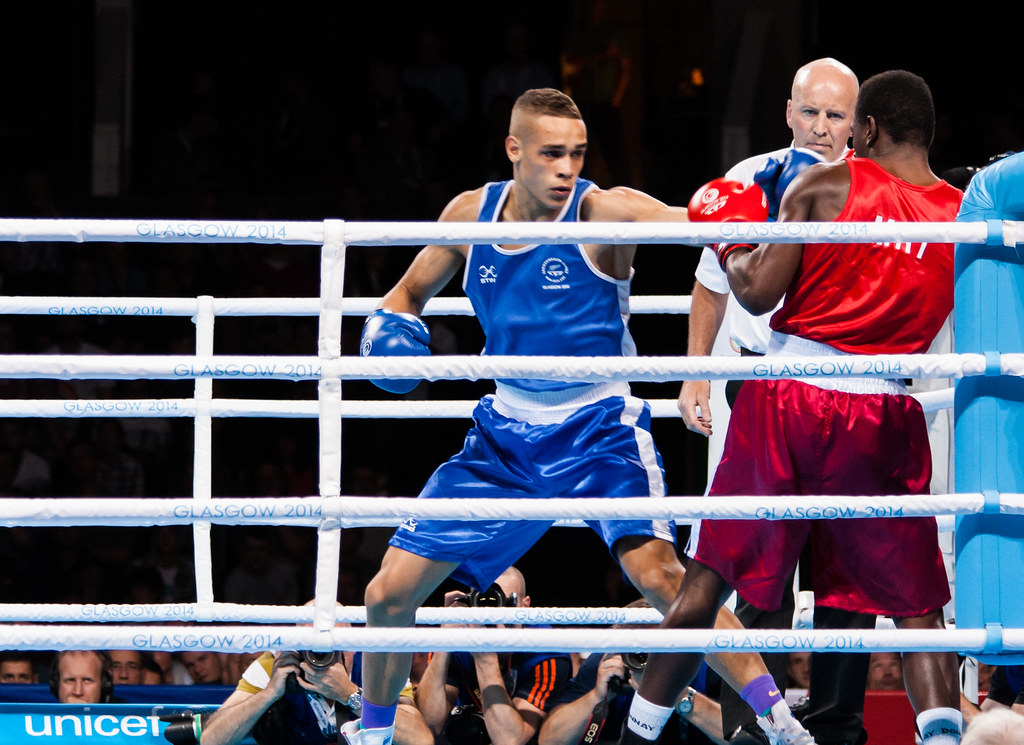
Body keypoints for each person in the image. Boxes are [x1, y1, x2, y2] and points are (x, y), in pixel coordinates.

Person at [348, 87, 810, 745]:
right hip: (503, 436)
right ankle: (372, 735)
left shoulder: (606, 210)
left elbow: (689, 223)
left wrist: (738, 212)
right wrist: (390, 328)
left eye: (577, 152)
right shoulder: (469, 216)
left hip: (598, 430)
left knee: (664, 578)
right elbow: (405, 292)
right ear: (514, 151)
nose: (567, 167)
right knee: (386, 594)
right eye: (551, 153)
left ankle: (779, 720)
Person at [619, 70, 963, 745]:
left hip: (789, 399)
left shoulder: (826, 186)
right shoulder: (962, 214)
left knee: (708, 584)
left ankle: (634, 738)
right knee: (919, 607)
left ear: (864, 129)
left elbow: (751, 291)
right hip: (885, 412)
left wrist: (729, 234)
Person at [679, 57, 878, 745]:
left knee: (845, 567)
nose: (822, 128)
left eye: (836, 116)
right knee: (757, 571)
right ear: (789, 113)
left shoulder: (874, 193)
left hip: (846, 388)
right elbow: (711, 282)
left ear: (857, 124)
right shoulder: (747, 181)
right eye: (811, 112)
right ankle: (751, 726)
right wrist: (695, 375)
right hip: (758, 385)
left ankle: (836, 725)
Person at [415, 566, 572, 745]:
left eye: (505, 602)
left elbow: (510, 739)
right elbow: (429, 726)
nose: (492, 610)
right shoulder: (457, 637)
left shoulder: (547, 650)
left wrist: (485, 659)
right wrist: (443, 643)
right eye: (483, 600)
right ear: (470, 602)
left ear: (524, 604)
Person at [538, 601, 725, 745]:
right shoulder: (606, 662)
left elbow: (738, 735)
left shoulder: (702, 662)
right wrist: (597, 695)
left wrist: (674, 693)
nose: (643, 657)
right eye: (634, 647)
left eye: (653, 648)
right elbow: (549, 740)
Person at [198, 646, 431, 745]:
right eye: (314, 646)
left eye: (336, 645)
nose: (323, 655)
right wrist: (269, 693)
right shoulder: (276, 662)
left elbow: (420, 739)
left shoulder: (376, 662)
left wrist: (349, 694)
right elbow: (212, 739)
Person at [49, 649, 117, 704]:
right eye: (70, 680)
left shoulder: (125, 717)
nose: (78, 692)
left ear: (104, 684)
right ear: (56, 684)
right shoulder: (40, 719)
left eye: (87, 680)